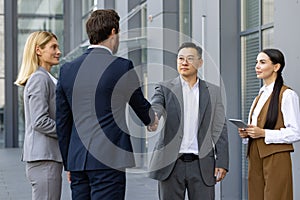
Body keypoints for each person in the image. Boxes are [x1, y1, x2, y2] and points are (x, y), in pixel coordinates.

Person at [56, 9, 157, 200]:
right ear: (113, 32)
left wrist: (70, 163)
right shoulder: (121, 67)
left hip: (78, 162)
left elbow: (62, 123)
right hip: (109, 159)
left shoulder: (67, 70)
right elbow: (138, 102)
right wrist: (151, 120)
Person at [148, 42, 229, 200]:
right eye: (181, 58)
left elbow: (220, 128)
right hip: (171, 165)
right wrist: (153, 117)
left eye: (190, 58)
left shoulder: (213, 92)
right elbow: (156, 105)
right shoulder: (164, 88)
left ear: (200, 63)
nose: (184, 62)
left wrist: (222, 162)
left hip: (202, 164)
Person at [239, 48, 300, 200]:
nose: (257, 66)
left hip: (276, 157)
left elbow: (295, 132)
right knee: (255, 196)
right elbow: (257, 127)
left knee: (277, 197)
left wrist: (264, 133)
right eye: (256, 62)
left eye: (262, 62)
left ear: (276, 67)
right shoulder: (260, 95)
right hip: (255, 155)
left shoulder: (287, 95)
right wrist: (247, 134)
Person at [15, 31, 63, 200]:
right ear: (38, 50)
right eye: (53, 47)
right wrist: (66, 131)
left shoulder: (47, 78)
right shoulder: (39, 79)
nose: (59, 51)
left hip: (46, 158)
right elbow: (39, 121)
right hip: (44, 158)